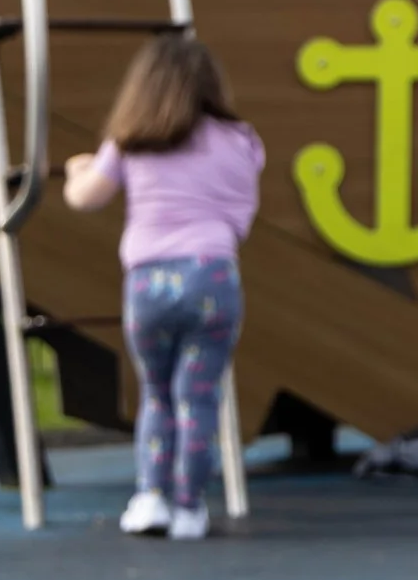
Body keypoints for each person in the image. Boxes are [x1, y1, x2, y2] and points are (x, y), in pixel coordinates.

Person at [61, 35, 266, 542]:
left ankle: (150, 497)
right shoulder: (241, 140)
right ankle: (189, 508)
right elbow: (243, 196)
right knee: (198, 397)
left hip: (149, 281)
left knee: (156, 394)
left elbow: (86, 199)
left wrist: (76, 169)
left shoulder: (132, 141)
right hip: (213, 275)